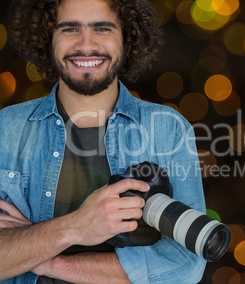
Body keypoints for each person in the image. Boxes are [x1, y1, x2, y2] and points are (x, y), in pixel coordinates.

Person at [0, 0, 207, 283]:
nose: (86, 45)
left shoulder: (168, 129)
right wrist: (75, 227)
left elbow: (186, 266)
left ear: (128, 39)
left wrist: (46, 259)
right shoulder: (6, 129)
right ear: (47, 39)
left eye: (102, 28)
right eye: (70, 29)